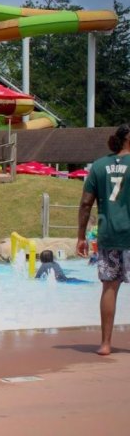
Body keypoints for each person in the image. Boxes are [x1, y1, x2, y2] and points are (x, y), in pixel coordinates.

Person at [76, 123, 130, 356]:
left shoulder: (98, 166)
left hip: (108, 236)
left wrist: (81, 237)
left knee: (109, 288)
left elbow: (86, 203)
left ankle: (105, 344)